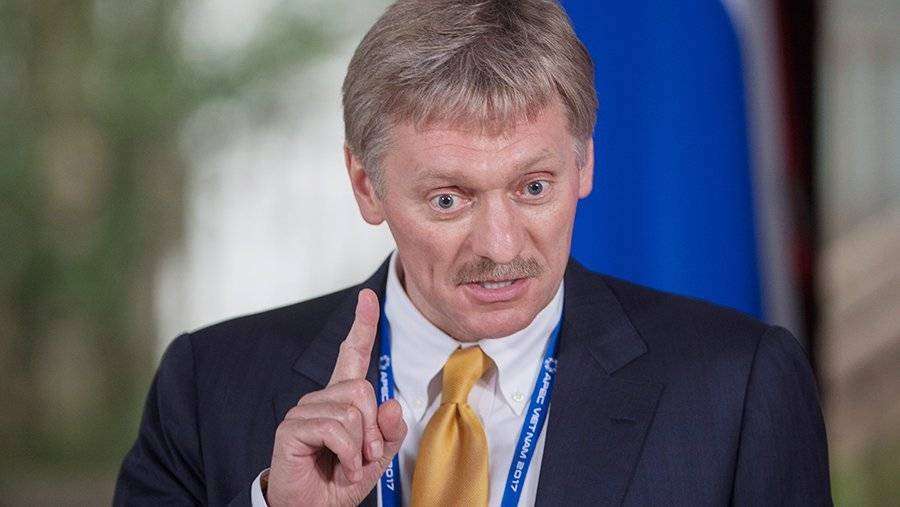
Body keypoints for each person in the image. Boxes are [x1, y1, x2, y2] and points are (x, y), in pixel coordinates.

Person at [114, 0, 832, 505]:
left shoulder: (739, 386)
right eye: (449, 199)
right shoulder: (207, 386)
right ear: (367, 186)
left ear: (584, 164)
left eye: (533, 187)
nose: (500, 246)